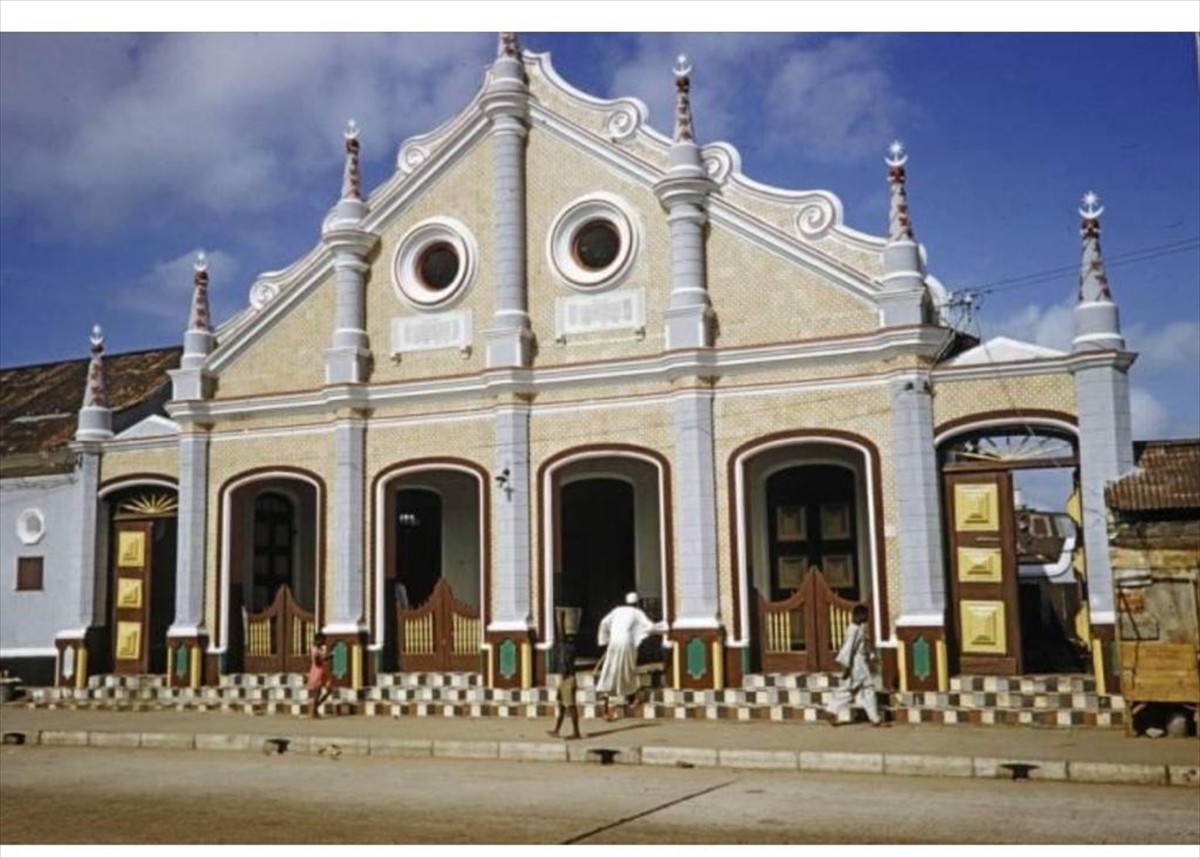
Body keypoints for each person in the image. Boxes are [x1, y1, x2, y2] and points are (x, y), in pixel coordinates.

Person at [595, 591, 666, 721]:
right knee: (628, 669)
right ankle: (632, 697)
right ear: (637, 603)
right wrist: (662, 627)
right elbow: (649, 627)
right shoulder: (637, 613)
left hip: (614, 642)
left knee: (610, 670)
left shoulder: (617, 610)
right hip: (626, 642)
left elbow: (604, 622)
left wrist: (604, 641)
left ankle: (607, 707)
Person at [825, 604, 887, 727]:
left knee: (864, 689)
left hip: (860, 664)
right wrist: (847, 667)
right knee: (852, 690)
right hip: (856, 665)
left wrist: (873, 658)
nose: (867, 617)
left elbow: (864, 648)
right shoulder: (853, 630)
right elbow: (848, 649)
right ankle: (831, 709)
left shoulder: (859, 629)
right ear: (861, 615)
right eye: (866, 615)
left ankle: (875, 718)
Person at [547, 632, 582, 740]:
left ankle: (576, 732)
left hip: (568, 680)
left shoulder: (567, 650)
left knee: (571, 706)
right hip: (565, 680)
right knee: (562, 706)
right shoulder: (565, 649)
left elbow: (566, 665)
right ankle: (557, 730)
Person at [307, 632, 333, 719]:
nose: (324, 642)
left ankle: (315, 707)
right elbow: (318, 662)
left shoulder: (321, 648)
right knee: (317, 692)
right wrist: (327, 657)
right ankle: (314, 711)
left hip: (324, 671)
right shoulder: (315, 650)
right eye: (322, 640)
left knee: (329, 690)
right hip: (317, 672)